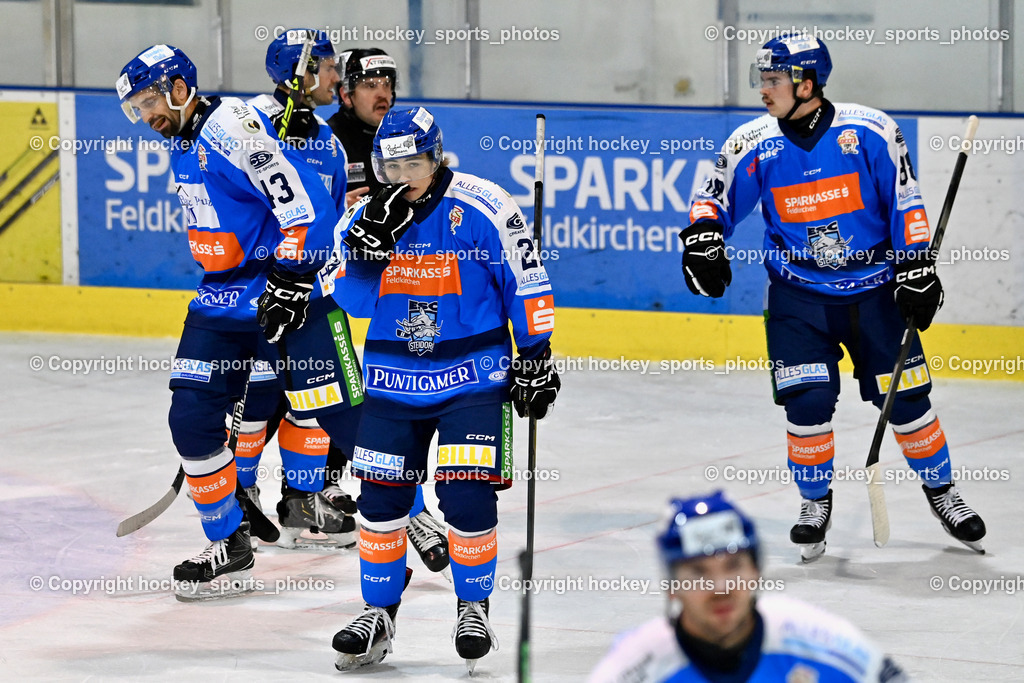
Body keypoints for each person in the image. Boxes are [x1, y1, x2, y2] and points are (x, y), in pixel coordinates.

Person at [678, 34, 985, 561]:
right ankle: (813, 502)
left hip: (876, 295)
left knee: (908, 401)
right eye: (762, 81)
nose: (762, 91)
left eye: (773, 81)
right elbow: (712, 197)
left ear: (807, 83)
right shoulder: (752, 142)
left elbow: (905, 201)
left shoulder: (870, 131)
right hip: (799, 299)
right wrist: (704, 238)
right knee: (808, 402)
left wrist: (916, 268)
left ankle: (943, 491)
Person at [116, 44, 359, 599]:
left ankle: (408, 518)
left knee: (342, 420)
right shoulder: (182, 138)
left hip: (279, 291)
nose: (146, 116)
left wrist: (293, 277)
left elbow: (307, 205)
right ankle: (229, 541)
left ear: (180, 88)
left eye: (150, 100)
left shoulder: (228, 129)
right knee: (192, 419)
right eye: (137, 108)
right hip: (220, 300)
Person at [328, 107, 560, 672]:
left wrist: (535, 355)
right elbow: (351, 301)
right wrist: (364, 253)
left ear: (436, 158)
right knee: (380, 499)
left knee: (466, 494)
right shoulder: (363, 216)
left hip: (474, 377)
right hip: (391, 378)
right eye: (390, 164)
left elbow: (526, 280)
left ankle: (473, 605)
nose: (401, 175)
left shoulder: (485, 205)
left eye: (413, 162)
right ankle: (377, 612)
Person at [235, 28, 360, 550]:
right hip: (253, 296)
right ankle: (236, 499)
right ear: (303, 73)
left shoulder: (328, 141)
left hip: (309, 297)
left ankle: (301, 498)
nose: (337, 77)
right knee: (254, 400)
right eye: (330, 68)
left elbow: (325, 221)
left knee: (315, 399)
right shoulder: (248, 125)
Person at [588, 491, 909, 682]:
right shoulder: (635, 667)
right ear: (672, 586)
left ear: (755, 571)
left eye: (733, 566)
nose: (721, 587)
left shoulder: (818, 640)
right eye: (699, 573)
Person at [326, 48, 397, 205]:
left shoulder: (401, 134)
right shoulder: (325, 139)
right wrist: (338, 205)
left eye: (386, 84)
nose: (382, 94)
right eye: (371, 86)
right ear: (346, 96)